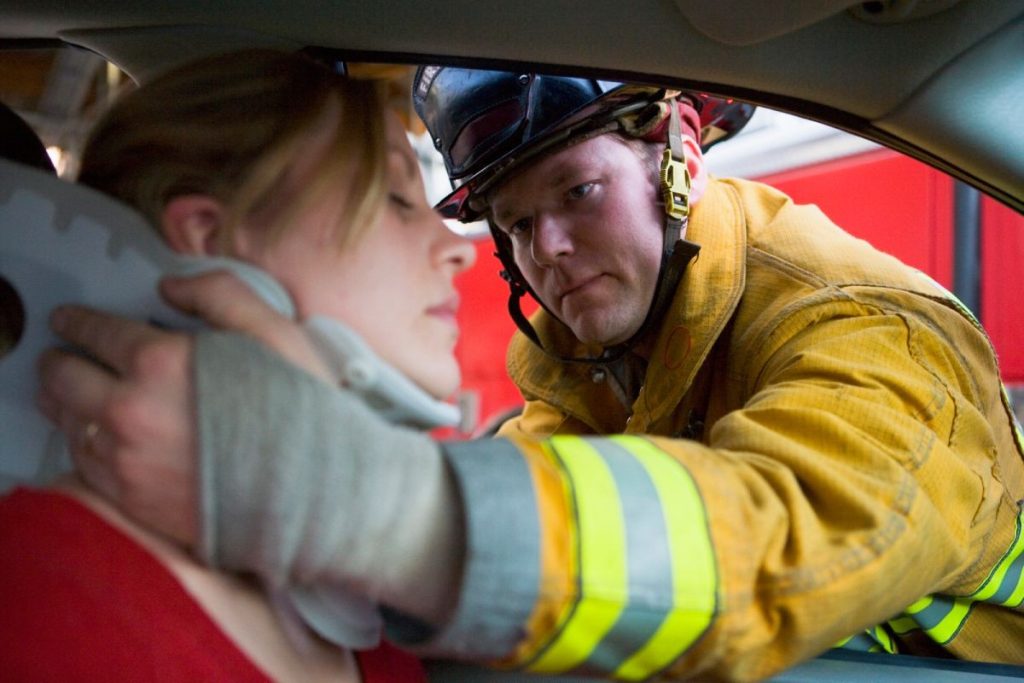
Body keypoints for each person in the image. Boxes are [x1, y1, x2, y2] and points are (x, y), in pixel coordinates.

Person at [36, 65, 1024, 683]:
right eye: (510, 219)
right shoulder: (592, 360)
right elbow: (552, 483)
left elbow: (777, 533)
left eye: (577, 191)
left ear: (677, 153)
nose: (539, 247)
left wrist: (363, 499)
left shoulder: (858, 323)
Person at [3, 49, 482, 681]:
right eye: (396, 198)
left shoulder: (363, 612)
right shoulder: (38, 591)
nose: (458, 250)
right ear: (209, 239)